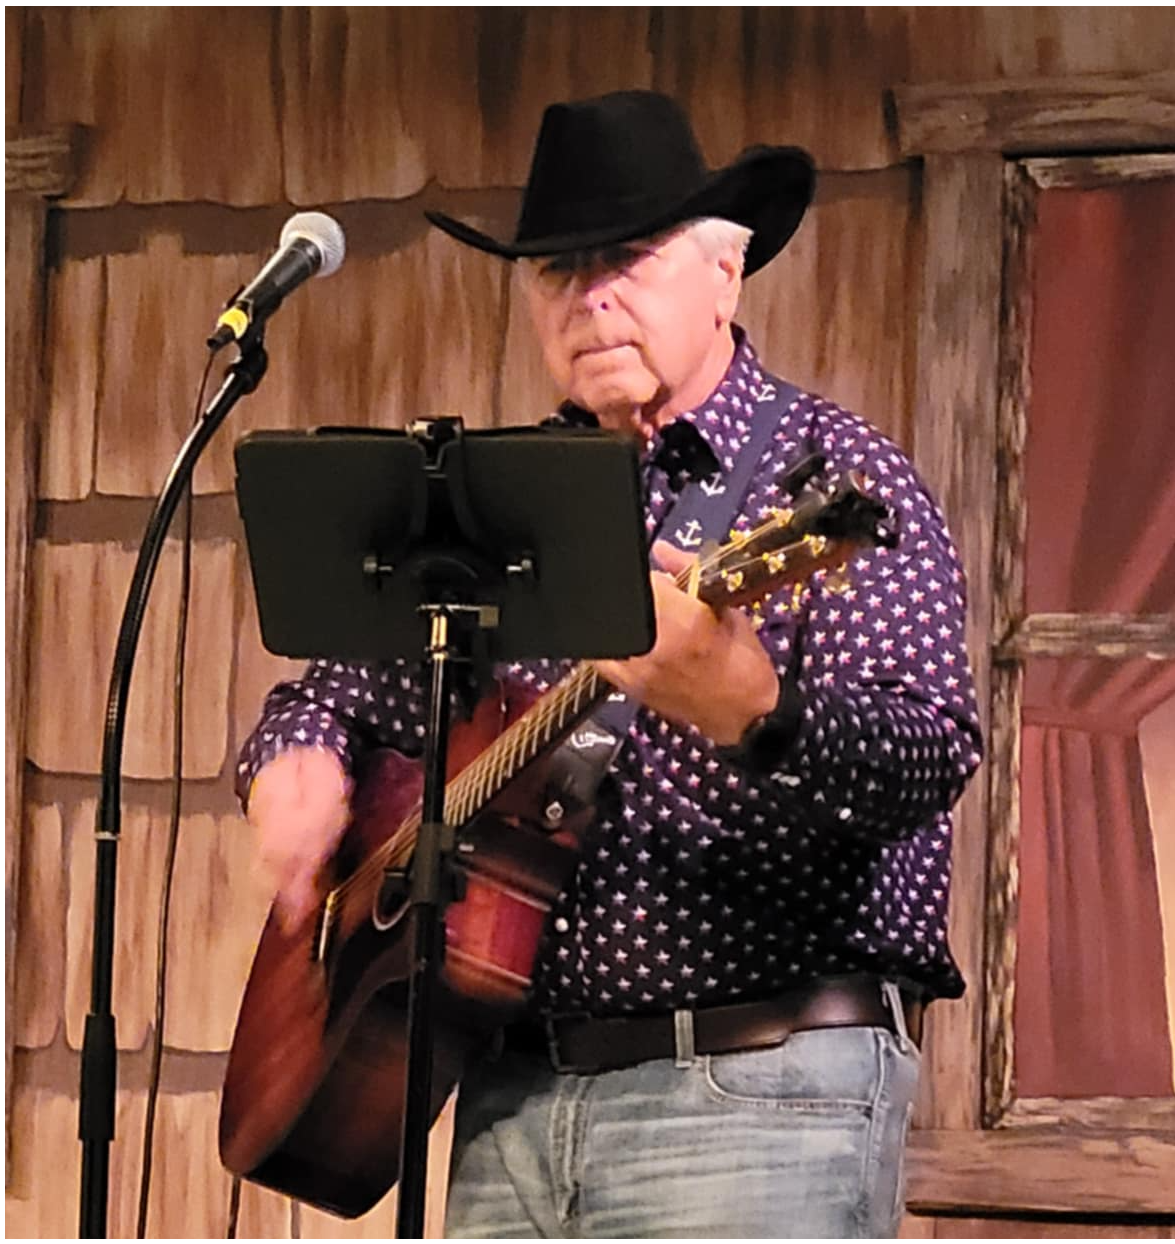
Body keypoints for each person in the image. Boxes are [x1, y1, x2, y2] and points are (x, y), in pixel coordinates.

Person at [236, 90, 982, 1239]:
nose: (590, 296)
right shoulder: (504, 499)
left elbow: (925, 752)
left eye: (627, 258)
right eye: (556, 269)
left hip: (754, 1094)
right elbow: (331, 693)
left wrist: (759, 711)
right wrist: (297, 762)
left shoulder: (833, 478)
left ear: (726, 273)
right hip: (510, 1098)